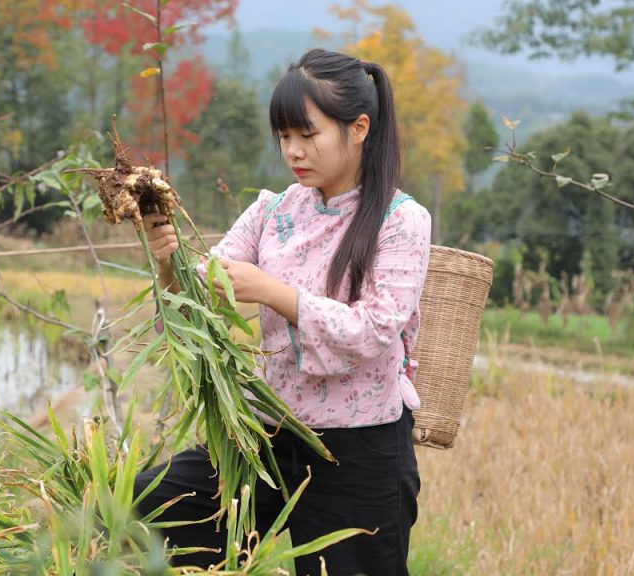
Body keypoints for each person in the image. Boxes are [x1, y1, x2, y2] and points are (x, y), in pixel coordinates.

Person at [135, 48, 431, 576]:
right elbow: (200, 300)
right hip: (267, 432)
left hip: (359, 449)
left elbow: (374, 332)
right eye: (284, 136)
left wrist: (275, 293)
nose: (293, 151)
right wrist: (169, 264)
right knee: (145, 507)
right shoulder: (272, 211)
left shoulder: (401, 220)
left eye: (308, 135)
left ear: (359, 128)